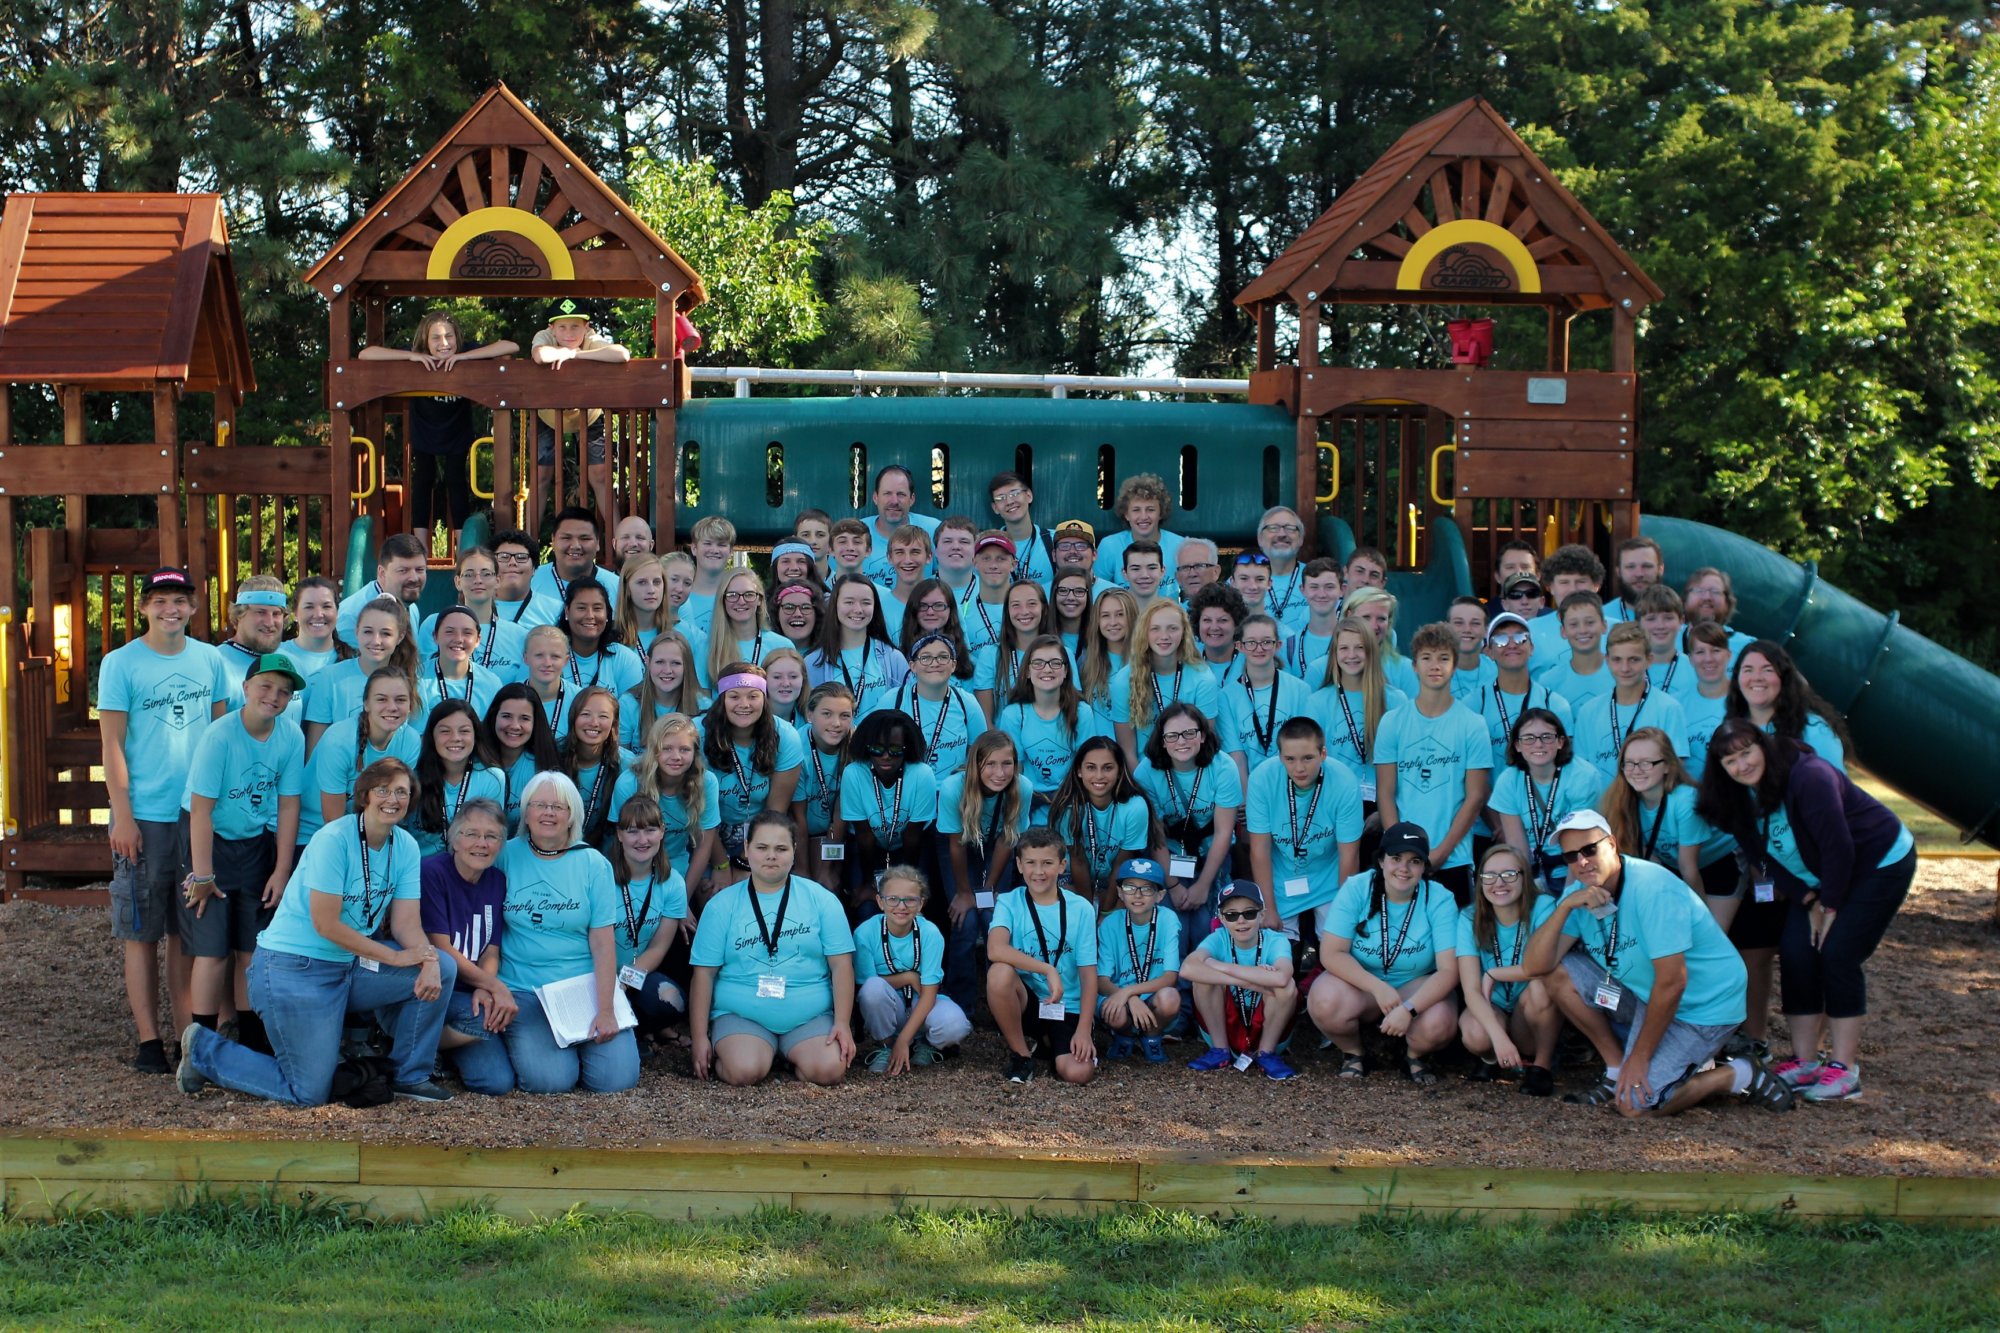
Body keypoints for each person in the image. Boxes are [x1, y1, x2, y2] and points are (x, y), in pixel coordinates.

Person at [175, 758, 457, 1104]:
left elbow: (406, 924)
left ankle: (409, 1075)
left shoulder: (406, 846)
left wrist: (427, 959)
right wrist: (395, 957)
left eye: (402, 792)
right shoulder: (334, 839)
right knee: (310, 1091)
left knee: (443, 967)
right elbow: (326, 924)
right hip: (294, 969)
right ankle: (205, 1050)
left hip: (350, 966)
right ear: (365, 794)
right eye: (383, 790)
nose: (393, 799)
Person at [1521, 810, 1792, 1117]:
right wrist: (1564, 908)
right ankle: (1616, 1070)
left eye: (1589, 850)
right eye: (1571, 856)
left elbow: (1673, 982)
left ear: (1611, 844)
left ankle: (1739, 1074)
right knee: (1558, 972)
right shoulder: (1579, 893)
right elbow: (1535, 967)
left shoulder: (1652, 889)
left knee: (1633, 1106)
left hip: (1702, 1007)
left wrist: (1640, 1057)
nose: (1581, 862)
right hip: (1648, 995)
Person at [1698, 721, 1916, 1103]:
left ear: (1763, 746)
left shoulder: (1809, 777)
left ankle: (1845, 1070)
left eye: (1747, 752)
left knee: (1838, 953)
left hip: (1877, 862)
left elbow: (1839, 847)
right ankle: (1805, 1061)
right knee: (1797, 951)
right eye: (1730, 761)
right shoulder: (1734, 800)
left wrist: (1829, 905)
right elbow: (1762, 859)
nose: (1742, 765)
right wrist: (1809, 901)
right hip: (1817, 881)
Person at [101, 567, 232, 1071]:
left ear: (194, 607)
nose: (170, 610)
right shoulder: (121, 663)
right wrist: (122, 815)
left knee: (186, 931)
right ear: (143, 608)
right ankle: (148, 1041)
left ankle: (185, 1038)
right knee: (141, 930)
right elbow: (112, 744)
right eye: (159, 601)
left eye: (179, 600)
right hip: (147, 814)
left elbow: (220, 735)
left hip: (196, 813)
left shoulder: (210, 659)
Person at [448, 770, 639, 1095]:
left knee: (616, 1080)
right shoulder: (504, 854)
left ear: (572, 815)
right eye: (539, 805)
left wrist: (606, 1009)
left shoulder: (594, 864)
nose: (548, 813)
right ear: (526, 813)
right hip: (524, 989)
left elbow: (603, 944)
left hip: (581, 988)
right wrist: (485, 983)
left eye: (558, 806)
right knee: (550, 1081)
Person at [179, 653, 308, 1053]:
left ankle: (251, 1044)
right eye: (266, 686)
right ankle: (199, 1045)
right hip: (209, 840)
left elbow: (288, 804)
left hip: (254, 842)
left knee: (251, 950)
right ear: (246, 687)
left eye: (284, 692)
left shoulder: (291, 737)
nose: (274, 696)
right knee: (213, 951)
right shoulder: (220, 736)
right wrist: (203, 876)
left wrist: (282, 870)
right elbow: (200, 810)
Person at [689, 810, 857, 1085]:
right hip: (743, 1014)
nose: (771, 856)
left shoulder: (822, 900)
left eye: (781, 848)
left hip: (808, 1015)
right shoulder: (721, 905)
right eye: (762, 848)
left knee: (829, 1071)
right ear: (746, 849)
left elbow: (841, 966)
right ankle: (753, 1052)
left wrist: (841, 1024)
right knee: (743, 1072)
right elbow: (703, 974)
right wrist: (698, 1038)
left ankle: (793, 1057)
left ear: (794, 850)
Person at [1307, 822, 1461, 1084]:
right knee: (1324, 1001)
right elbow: (1331, 953)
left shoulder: (1439, 898)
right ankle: (1354, 1053)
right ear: (1381, 861)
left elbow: (1449, 971)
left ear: (1424, 867)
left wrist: (1409, 1009)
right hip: (1364, 986)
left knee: (1440, 1023)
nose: (1404, 868)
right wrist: (1377, 987)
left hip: (1414, 985)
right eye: (1396, 858)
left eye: (1414, 861)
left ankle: (1413, 1056)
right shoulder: (1357, 888)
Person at [358, 309, 517, 533]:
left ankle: (461, 544)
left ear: (457, 338)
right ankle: (420, 545)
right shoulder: (417, 353)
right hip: (424, 429)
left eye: (449, 336)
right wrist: (411, 356)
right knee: (423, 479)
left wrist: (464, 357)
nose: (444, 343)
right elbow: (366, 354)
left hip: (456, 430)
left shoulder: (465, 351)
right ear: (425, 341)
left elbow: (511, 347)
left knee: (456, 479)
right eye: (436, 338)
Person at [1373, 624, 1493, 906]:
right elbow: (1386, 792)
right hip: (1401, 863)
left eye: (1443, 658)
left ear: (1454, 665)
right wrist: (1401, 850)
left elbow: (1475, 796)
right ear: (1414, 666)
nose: (1435, 666)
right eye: (1426, 658)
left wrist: (1441, 853)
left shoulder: (1473, 724)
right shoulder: (1392, 722)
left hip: (1453, 858)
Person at [987, 827, 1099, 1085]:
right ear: (1019, 865)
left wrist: (1084, 1029)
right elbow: (995, 949)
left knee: (1078, 1074)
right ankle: (1022, 1054)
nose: (1038, 871)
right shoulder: (1009, 901)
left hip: (1067, 1006)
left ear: (1062, 866)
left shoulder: (1081, 908)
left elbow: (1088, 974)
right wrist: (1048, 969)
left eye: (1047, 863)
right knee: (999, 972)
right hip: (1029, 1002)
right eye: (1031, 863)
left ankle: (1049, 1044)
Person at [1136, 702, 1241, 966]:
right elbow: (1156, 835)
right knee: (1174, 926)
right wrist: (1172, 886)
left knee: (1206, 927)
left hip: (1212, 856)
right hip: (1170, 856)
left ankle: (1207, 985)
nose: (1181, 742)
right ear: (1162, 741)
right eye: (1172, 735)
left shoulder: (1223, 767)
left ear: (1202, 735)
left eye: (1189, 733)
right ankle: (1175, 988)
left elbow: (1224, 832)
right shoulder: (1146, 772)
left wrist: (1203, 885)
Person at [419, 797, 515, 1086]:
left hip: (472, 991)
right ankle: (412, 1044)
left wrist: (485, 987)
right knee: (486, 1018)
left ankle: (439, 1047)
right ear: (455, 838)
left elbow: (491, 949)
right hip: (437, 987)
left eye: (491, 836)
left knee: (497, 1082)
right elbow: (441, 947)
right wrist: (496, 988)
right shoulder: (432, 872)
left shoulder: (496, 881)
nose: (481, 844)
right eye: (472, 834)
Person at [1244, 716, 1363, 942]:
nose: (1299, 768)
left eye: (1308, 758)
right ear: (1280, 757)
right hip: (1282, 876)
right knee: (1277, 949)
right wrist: (1268, 908)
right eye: (1290, 759)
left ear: (1323, 754)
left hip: (1329, 876)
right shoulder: (1261, 779)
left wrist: (1345, 910)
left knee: (1337, 943)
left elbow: (1349, 854)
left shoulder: (1345, 782)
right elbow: (1259, 850)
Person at [1456, 843, 1559, 1094]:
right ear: (1480, 881)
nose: (1499, 883)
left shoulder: (1543, 906)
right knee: (1475, 1034)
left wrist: (1495, 973)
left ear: (1524, 877)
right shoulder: (1469, 917)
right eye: (1489, 876)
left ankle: (1541, 1065)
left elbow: (1545, 965)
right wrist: (1498, 1038)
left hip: (1529, 1007)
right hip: (1494, 1004)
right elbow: (1471, 990)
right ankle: (1492, 1057)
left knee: (1541, 985)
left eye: (1509, 874)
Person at [854, 865, 969, 1073]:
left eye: (910, 900)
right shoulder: (865, 933)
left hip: (921, 1002)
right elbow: (866, 985)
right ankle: (886, 1046)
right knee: (873, 990)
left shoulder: (930, 933)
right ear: (880, 901)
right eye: (893, 899)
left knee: (955, 1025)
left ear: (921, 904)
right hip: (891, 1006)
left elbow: (929, 993)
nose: (901, 906)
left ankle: (924, 1044)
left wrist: (904, 1040)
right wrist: (907, 977)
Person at [1179, 880, 1298, 1080]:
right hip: (1226, 1026)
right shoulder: (1219, 938)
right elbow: (1187, 968)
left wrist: (1221, 966)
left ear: (1262, 914)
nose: (1241, 920)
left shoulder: (1275, 940)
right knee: (1202, 979)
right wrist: (1248, 981)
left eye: (1249, 913)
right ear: (1222, 919)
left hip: (1266, 1028)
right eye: (1231, 915)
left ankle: (1267, 1053)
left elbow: (1282, 976)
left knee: (1288, 987)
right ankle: (1220, 1050)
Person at [1602, 726, 1733, 902]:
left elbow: (1688, 868)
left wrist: (1699, 915)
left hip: (1722, 863)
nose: (1636, 770)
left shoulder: (1685, 801)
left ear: (1667, 766)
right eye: (1629, 763)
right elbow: (1653, 863)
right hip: (1678, 868)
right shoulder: (1625, 800)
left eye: (1646, 763)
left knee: (1716, 923)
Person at [701, 662, 805, 884]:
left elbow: (774, 812)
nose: (744, 704)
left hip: (760, 832)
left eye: (753, 696)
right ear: (721, 700)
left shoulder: (785, 736)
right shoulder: (699, 734)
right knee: (711, 890)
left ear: (764, 699)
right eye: (734, 697)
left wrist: (744, 861)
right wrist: (721, 864)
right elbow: (698, 810)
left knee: (754, 886)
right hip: (706, 833)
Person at [1488, 707, 1603, 895]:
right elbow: (1518, 848)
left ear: (1560, 742)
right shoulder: (1508, 781)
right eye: (1529, 738)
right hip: (1534, 870)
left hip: (1576, 866)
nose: (1538, 744)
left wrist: (1566, 900)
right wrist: (1528, 895)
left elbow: (1580, 849)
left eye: (1547, 737)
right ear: (1517, 745)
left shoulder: (1584, 776)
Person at [531, 304, 630, 521]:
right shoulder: (544, 336)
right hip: (548, 414)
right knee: (541, 475)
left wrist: (575, 355)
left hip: (589, 413)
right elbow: (540, 356)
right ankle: (528, 538)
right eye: (562, 327)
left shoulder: (591, 338)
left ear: (586, 327)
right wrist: (565, 352)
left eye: (575, 326)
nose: (569, 333)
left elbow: (622, 354)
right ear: (552, 329)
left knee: (600, 475)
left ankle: (616, 536)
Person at [305, 667, 420, 851]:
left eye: (400, 700)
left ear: (410, 706)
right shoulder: (339, 740)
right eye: (381, 699)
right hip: (315, 831)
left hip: (371, 831)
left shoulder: (410, 741)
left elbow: (391, 806)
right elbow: (333, 821)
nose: (392, 707)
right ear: (366, 704)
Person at [606, 794, 691, 1043]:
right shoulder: (601, 876)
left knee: (672, 1000)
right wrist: (609, 983)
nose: (642, 840)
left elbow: (658, 948)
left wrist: (624, 982)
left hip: (636, 972)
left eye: (650, 830)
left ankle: (641, 1030)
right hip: (598, 972)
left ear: (662, 832)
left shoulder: (673, 883)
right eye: (632, 831)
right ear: (619, 834)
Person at [838, 709, 938, 916]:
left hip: (911, 848)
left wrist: (908, 884)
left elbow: (912, 836)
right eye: (877, 749)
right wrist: (868, 883)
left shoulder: (922, 774)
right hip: (867, 848)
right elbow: (864, 836)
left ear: (907, 748)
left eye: (895, 749)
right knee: (866, 906)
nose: (885, 756)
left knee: (911, 902)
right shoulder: (854, 773)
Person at [1111, 600, 1229, 767]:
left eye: (1172, 628)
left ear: (1184, 632)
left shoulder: (1203, 678)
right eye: (1155, 629)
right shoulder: (1124, 681)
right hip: (1145, 773)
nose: (1164, 636)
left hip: (1190, 770)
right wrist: (1141, 782)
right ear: (1144, 633)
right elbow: (1127, 751)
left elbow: (1204, 744)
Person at [1305, 616, 1405, 809]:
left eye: (1360, 647)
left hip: (1384, 806)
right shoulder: (1316, 703)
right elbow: (1311, 764)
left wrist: (1384, 813)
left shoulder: (1396, 700)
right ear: (1334, 653)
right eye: (1344, 648)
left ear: (1371, 651)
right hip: (1334, 804)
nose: (1352, 655)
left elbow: (1404, 764)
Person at [613, 714, 721, 892]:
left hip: (678, 865)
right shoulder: (629, 783)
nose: (676, 756)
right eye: (667, 748)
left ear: (695, 753)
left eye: (685, 749)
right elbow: (618, 841)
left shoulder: (706, 782)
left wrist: (684, 898)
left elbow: (704, 844)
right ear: (654, 750)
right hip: (635, 865)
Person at [1569, 623, 1691, 778]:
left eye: (1634, 660)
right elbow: (1581, 771)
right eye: (1617, 660)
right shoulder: (1588, 712)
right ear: (1607, 660)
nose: (1625, 668)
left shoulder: (1668, 708)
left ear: (1649, 660)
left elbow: (1674, 769)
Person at [303, 596, 419, 753]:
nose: (376, 641)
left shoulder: (411, 682)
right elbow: (315, 751)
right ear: (357, 631)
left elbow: (414, 746)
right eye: (368, 632)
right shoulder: (330, 678)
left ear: (400, 636)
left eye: (385, 634)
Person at [1046, 737, 1154, 906]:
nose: (1099, 776)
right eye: (1091, 767)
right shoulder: (1069, 807)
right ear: (1079, 771)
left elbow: (1122, 862)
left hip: (1117, 877)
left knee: (1128, 902)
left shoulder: (1135, 807)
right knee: (1061, 897)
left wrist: (1106, 910)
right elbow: (1078, 860)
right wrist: (1088, 910)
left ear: (1119, 770)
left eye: (1107, 768)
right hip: (1074, 876)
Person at [1093, 857, 1182, 1062]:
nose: (1138, 894)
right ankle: (1124, 1035)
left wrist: (1130, 992)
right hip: (1118, 995)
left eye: (1147, 889)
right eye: (1130, 887)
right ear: (1120, 892)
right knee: (1115, 1012)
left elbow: (1170, 977)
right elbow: (1101, 980)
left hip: (1151, 995)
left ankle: (1152, 1037)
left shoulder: (1168, 919)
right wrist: (1129, 997)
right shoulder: (1109, 924)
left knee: (1170, 998)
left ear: (1160, 895)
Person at [996, 635, 1097, 803]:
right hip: (1029, 800)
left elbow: (1088, 765)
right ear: (1027, 671)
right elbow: (1014, 771)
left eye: (1055, 663)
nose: (1047, 669)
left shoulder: (1082, 712)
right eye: (1038, 663)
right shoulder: (1013, 715)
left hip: (1071, 799)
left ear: (1066, 671)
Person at [405, 698, 507, 857]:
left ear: (475, 735)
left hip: (469, 866)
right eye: (445, 731)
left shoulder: (492, 778)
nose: (455, 738)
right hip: (421, 868)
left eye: (464, 731)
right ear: (432, 736)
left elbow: (490, 835)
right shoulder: (412, 778)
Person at [1475, 611, 1574, 774]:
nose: (1512, 645)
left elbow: (1565, 767)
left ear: (1532, 648)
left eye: (1520, 638)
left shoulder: (1555, 704)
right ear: (1489, 652)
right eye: (1500, 640)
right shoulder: (1475, 704)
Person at [1728, 640, 1849, 772]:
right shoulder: (1731, 726)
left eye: (1768, 670)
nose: (1757, 677)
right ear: (1737, 678)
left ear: (1784, 678)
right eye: (1748, 670)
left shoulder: (1814, 731)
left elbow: (1834, 783)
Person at [807, 575, 911, 719]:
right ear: (835, 605)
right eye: (849, 602)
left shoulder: (893, 658)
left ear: (875, 607)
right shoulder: (814, 662)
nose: (858, 609)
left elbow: (908, 707)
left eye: (866, 602)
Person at [1220, 612, 1309, 780]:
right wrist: (1248, 795)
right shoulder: (1226, 697)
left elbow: (1304, 747)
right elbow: (1237, 757)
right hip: (1251, 785)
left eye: (1267, 642)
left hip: (1294, 782)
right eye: (1251, 642)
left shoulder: (1300, 690)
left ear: (1278, 645)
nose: (1259, 648)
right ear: (1239, 646)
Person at [890, 632, 987, 782]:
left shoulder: (968, 703)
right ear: (912, 666)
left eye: (943, 657)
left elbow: (981, 754)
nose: (935, 663)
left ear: (953, 665)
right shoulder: (893, 700)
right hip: (906, 790)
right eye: (925, 658)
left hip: (954, 792)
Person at [417, 547, 527, 678]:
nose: (478, 580)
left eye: (486, 574)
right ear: (458, 582)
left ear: (497, 581)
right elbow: (424, 677)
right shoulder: (434, 624)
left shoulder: (519, 636)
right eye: (469, 575)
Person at [484, 683, 562, 831]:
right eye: (506, 716)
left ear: (535, 722)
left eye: (524, 718)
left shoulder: (542, 769)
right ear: (494, 717)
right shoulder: (475, 762)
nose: (515, 726)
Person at [1094, 473, 1184, 599]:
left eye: (1150, 509)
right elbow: (1096, 591)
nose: (1143, 517)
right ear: (1126, 514)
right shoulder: (1109, 545)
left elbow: (1191, 592)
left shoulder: (1180, 546)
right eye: (1136, 510)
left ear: (1161, 513)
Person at [701, 567, 792, 690]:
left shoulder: (782, 646)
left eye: (749, 594)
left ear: (759, 600)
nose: (741, 601)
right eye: (732, 595)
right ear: (722, 600)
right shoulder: (708, 648)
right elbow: (702, 696)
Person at [336, 533, 429, 649]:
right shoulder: (351, 616)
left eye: (419, 570)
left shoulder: (412, 608)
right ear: (382, 573)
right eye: (403, 570)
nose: (414, 578)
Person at [558, 685, 624, 849]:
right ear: (573, 718)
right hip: (558, 847)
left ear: (614, 724)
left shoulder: (628, 764)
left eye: (603, 716)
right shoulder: (553, 755)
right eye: (585, 714)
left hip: (609, 852)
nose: (594, 723)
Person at [557, 577, 642, 700]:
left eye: (597, 608)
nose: (590, 615)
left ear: (607, 614)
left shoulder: (625, 659)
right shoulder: (550, 655)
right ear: (567, 612)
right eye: (581, 608)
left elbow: (630, 709)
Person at [214, 577, 290, 711]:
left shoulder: (291, 663)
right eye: (260, 612)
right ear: (239, 615)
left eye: (276, 614)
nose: (269, 623)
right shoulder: (217, 664)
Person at [859, 464, 941, 589]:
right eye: (887, 493)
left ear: (912, 499)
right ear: (875, 497)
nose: (894, 501)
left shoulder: (934, 530)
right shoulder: (856, 533)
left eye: (901, 494)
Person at [620, 630, 704, 751]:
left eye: (676, 663)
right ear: (648, 663)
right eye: (660, 662)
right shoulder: (628, 704)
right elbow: (621, 757)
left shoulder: (703, 707)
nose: (667, 670)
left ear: (687, 666)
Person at [418, 604, 503, 720]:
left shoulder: (491, 684)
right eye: (449, 631)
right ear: (435, 636)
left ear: (478, 640)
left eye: (467, 633)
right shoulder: (416, 678)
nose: (458, 639)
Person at [1336, 586, 1419, 696]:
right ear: (1349, 616)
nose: (1374, 626)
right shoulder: (1322, 668)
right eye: (1366, 617)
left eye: (1381, 619)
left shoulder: (1405, 669)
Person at [1534, 591, 1613, 704]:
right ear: (1563, 631)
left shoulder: (1622, 673)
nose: (1582, 630)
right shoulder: (1549, 681)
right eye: (1573, 624)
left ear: (1604, 626)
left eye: (1590, 622)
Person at [897, 578, 977, 686]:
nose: (930, 612)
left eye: (939, 605)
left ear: (951, 610)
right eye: (922, 606)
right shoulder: (896, 660)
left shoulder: (971, 664)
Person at [1076, 586, 1138, 719]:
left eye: (1120, 614)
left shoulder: (1145, 659)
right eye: (1105, 615)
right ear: (1097, 621)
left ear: (1132, 616)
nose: (1113, 622)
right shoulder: (1085, 661)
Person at [988, 471, 1055, 589]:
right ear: (995, 508)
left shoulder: (1054, 541)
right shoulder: (987, 547)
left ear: (1029, 496)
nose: (1009, 502)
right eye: (1001, 498)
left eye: (1014, 493)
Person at [281, 576, 348, 695]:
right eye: (309, 607)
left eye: (326, 606)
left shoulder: (353, 659)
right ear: (295, 613)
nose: (318, 614)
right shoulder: (277, 655)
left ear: (337, 611)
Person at [490, 528, 564, 630]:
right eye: (504, 557)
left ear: (534, 569)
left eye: (521, 557)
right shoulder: (475, 607)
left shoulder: (557, 611)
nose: (512, 562)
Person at [1681, 621, 1735, 759]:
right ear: (1690, 659)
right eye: (1700, 652)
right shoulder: (1676, 704)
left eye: (1716, 650)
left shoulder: (1747, 699)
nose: (1708, 659)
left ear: (1729, 655)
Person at [1282, 558, 1345, 676]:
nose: (1321, 594)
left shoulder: (1355, 643)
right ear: (1302, 590)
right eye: (1314, 587)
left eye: (1329, 587)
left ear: (1342, 590)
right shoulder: (1287, 647)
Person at [958, 533, 1017, 658]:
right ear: (974, 563)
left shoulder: (1028, 611)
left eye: (1001, 559)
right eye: (986, 558)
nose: (993, 565)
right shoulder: (961, 613)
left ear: (1013, 565)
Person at [1634, 584, 1697, 700]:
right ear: (1638, 623)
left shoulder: (1695, 669)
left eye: (1668, 618)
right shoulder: (1626, 668)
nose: (1660, 626)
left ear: (1681, 621)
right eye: (1651, 619)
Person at [677, 515, 736, 637]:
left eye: (721, 545)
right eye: (707, 543)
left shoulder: (740, 597)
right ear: (694, 548)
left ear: (731, 551)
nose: (714, 550)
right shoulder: (677, 594)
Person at [1256, 506, 1310, 634]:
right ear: (1260, 539)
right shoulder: (1239, 582)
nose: (1282, 534)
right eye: (1273, 528)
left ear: (1301, 539)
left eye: (1290, 528)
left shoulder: (1317, 578)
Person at [1190, 582, 1249, 688]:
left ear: (1237, 625)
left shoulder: (1251, 661)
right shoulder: (1188, 661)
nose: (1214, 627)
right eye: (1207, 620)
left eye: (1222, 620)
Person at [879, 524, 933, 640]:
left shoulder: (944, 604)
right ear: (889, 558)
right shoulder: (878, 608)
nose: (907, 560)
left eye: (915, 552)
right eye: (899, 552)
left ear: (929, 557)